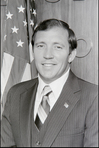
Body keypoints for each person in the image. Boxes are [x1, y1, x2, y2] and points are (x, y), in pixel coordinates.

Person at [1, 19, 98, 147]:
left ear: (71, 55)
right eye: (41, 46)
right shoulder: (15, 94)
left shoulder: (93, 97)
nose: (47, 55)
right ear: (32, 51)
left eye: (57, 47)